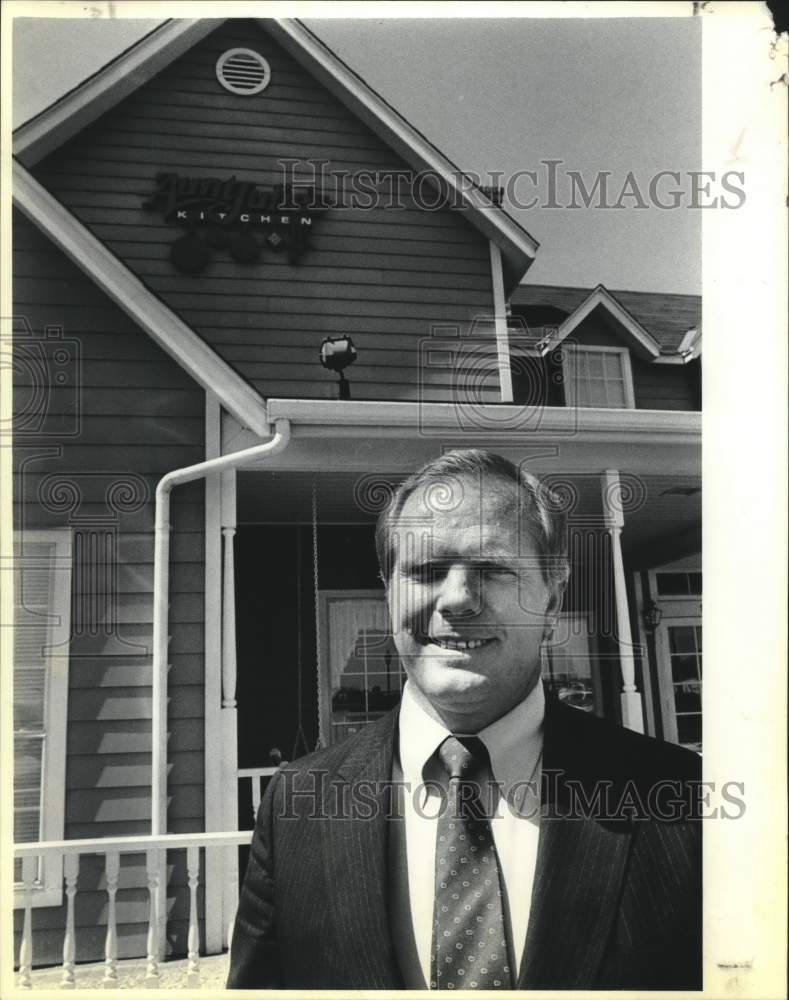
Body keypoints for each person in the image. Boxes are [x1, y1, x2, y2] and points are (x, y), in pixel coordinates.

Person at [227, 449, 701, 990]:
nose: (456, 600)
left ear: (553, 600)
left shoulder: (676, 799)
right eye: (427, 571)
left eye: (493, 569)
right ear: (388, 590)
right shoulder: (296, 808)